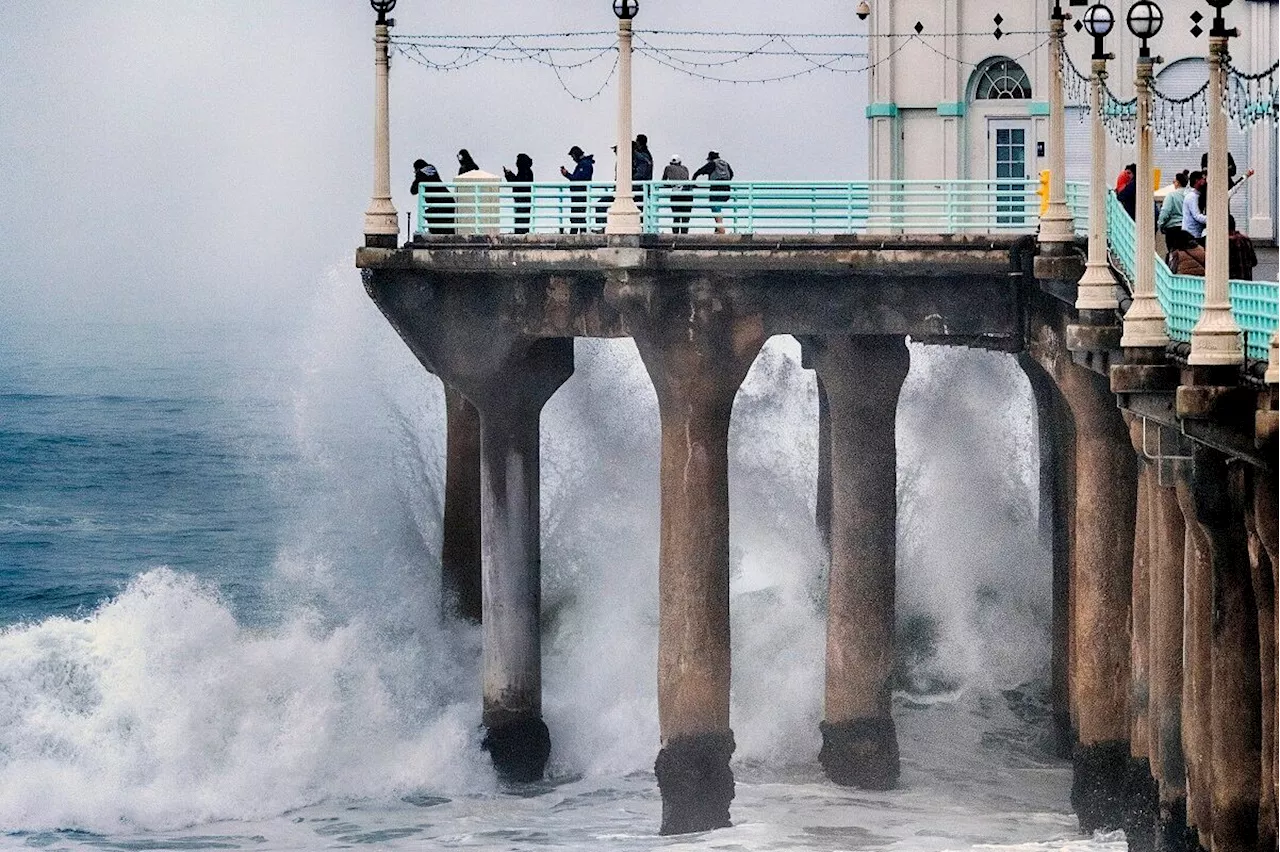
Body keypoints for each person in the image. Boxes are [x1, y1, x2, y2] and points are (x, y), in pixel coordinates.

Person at [693, 150, 734, 234]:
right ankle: (718, 228)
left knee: (715, 206)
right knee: (717, 207)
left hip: (716, 187)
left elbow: (699, 171)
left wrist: (694, 181)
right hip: (726, 188)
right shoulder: (725, 164)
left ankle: (720, 228)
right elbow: (732, 174)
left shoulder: (712, 163)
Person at [411, 159, 455, 235]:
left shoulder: (420, 174)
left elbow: (413, 190)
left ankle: (435, 234)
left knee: (430, 215)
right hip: (448, 199)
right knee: (447, 219)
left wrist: (417, 176)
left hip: (436, 202)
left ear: (417, 169)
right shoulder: (432, 169)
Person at [560, 146, 594, 234]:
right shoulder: (584, 164)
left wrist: (567, 174)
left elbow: (578, 179)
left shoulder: (584, 164)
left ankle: (578, 234)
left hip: (580, 194)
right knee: (578, 216)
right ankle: (580, 233)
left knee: (578, 216)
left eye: (573, 157)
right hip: (579, 194)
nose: (573, 159)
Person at [1158, 171, 1190, 251]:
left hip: (1173, 228)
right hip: (1188, 228)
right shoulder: (1191, 195)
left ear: (1177, 183)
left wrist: (1160, 224)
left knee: (1173, 254)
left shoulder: (1171, 195)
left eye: (1174, 181)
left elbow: (1165, 212)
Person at [503, 153, 535, 234]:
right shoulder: (526, 171)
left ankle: (520, 234)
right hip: (523, 200)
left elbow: (519, 184)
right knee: (521, 220)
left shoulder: (525, 171)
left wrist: (510, 175)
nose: (516, 163)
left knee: (521, 221)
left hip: (523, 200)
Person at [663, 154, 692, 234]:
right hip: (687, 194)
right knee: (685, 218)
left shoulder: (668, 168)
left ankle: (675, 236)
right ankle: (684, 236)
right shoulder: (685, 168)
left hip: (676, 194)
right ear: (680, 162)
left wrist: (670, 185)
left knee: (676, 217)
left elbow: (664, 181)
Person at [1228, 215, 1258, 281]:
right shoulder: (1246, 239)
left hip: (1232, 284)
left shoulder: (1225, 242)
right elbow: (1254, 262)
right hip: (1247, 283)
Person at [1182, 171, 1207, 244]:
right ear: (1197, 180)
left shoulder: (1196, 195)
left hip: (1195, 233)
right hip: (1192, 234)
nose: (1205, 181)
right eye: (1203, 179)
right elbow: (1197, 216)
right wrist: (1212, 219)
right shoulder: (1192, 197)